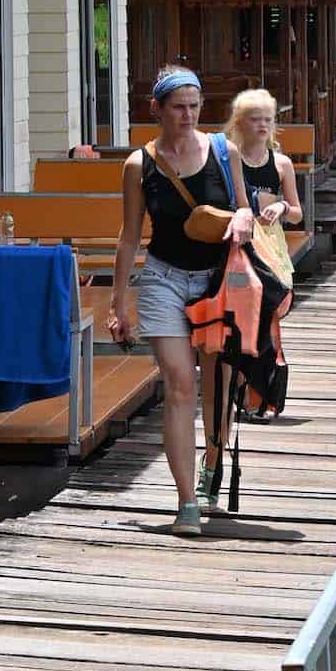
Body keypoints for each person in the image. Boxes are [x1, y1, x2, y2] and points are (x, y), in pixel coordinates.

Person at [109, 65, 254, 538]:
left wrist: (245, 219)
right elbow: (130, 237)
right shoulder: (139, 165)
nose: (188, 114)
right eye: (178, 107)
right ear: (157, 109)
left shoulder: (222, 150)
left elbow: (244, 206)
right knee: (179, 384)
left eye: (194, 106)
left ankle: (214, 462)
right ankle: (186, 501)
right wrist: (118, 303)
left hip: (217, 280)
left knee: (217, 382)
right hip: (164, 278)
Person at [226, 87, 303, 286]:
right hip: (238, 243)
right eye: (255, 119)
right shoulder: (227, 159)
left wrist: (282, 206)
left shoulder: (281, 163)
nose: (263, 125)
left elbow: (297, 215)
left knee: (275, 298)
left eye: (268, 119)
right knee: (240, 297)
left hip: (271, 242)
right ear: (239, 123)